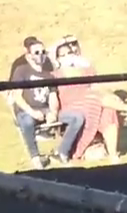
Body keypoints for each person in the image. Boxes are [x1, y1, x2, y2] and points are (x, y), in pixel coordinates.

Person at [6, 37, 86, 170]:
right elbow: (17, 96)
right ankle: (35, 157)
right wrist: (32, 112)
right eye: (37, 53)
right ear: (29, 56)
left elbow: (53, 97)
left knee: (77, 117)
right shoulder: (21, 71)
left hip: (45, 110)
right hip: (27, 111)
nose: (41, 55)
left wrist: (53, 113)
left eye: (43, 52)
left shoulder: (48, 75)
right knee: (27, 121)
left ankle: (62, 152)